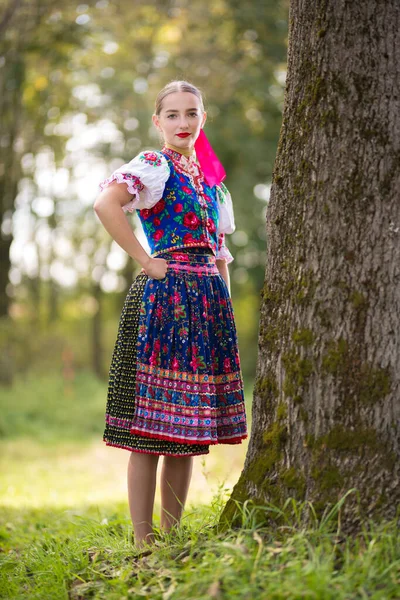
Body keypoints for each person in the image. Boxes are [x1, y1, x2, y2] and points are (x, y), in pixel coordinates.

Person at [93, 80, 247, 551]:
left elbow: (219, 251)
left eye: (192, 114)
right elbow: (106, 204)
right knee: (148, 432)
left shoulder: (212, 183)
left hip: (205, 306)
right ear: (158, 122)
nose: (184, 123)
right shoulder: (154, 166)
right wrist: (145, 259)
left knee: (187, 431)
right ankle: (143, 545)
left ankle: (174, 539)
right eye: (174, 115)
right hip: (163, 298)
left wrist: (224, 304)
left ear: (203, 119)